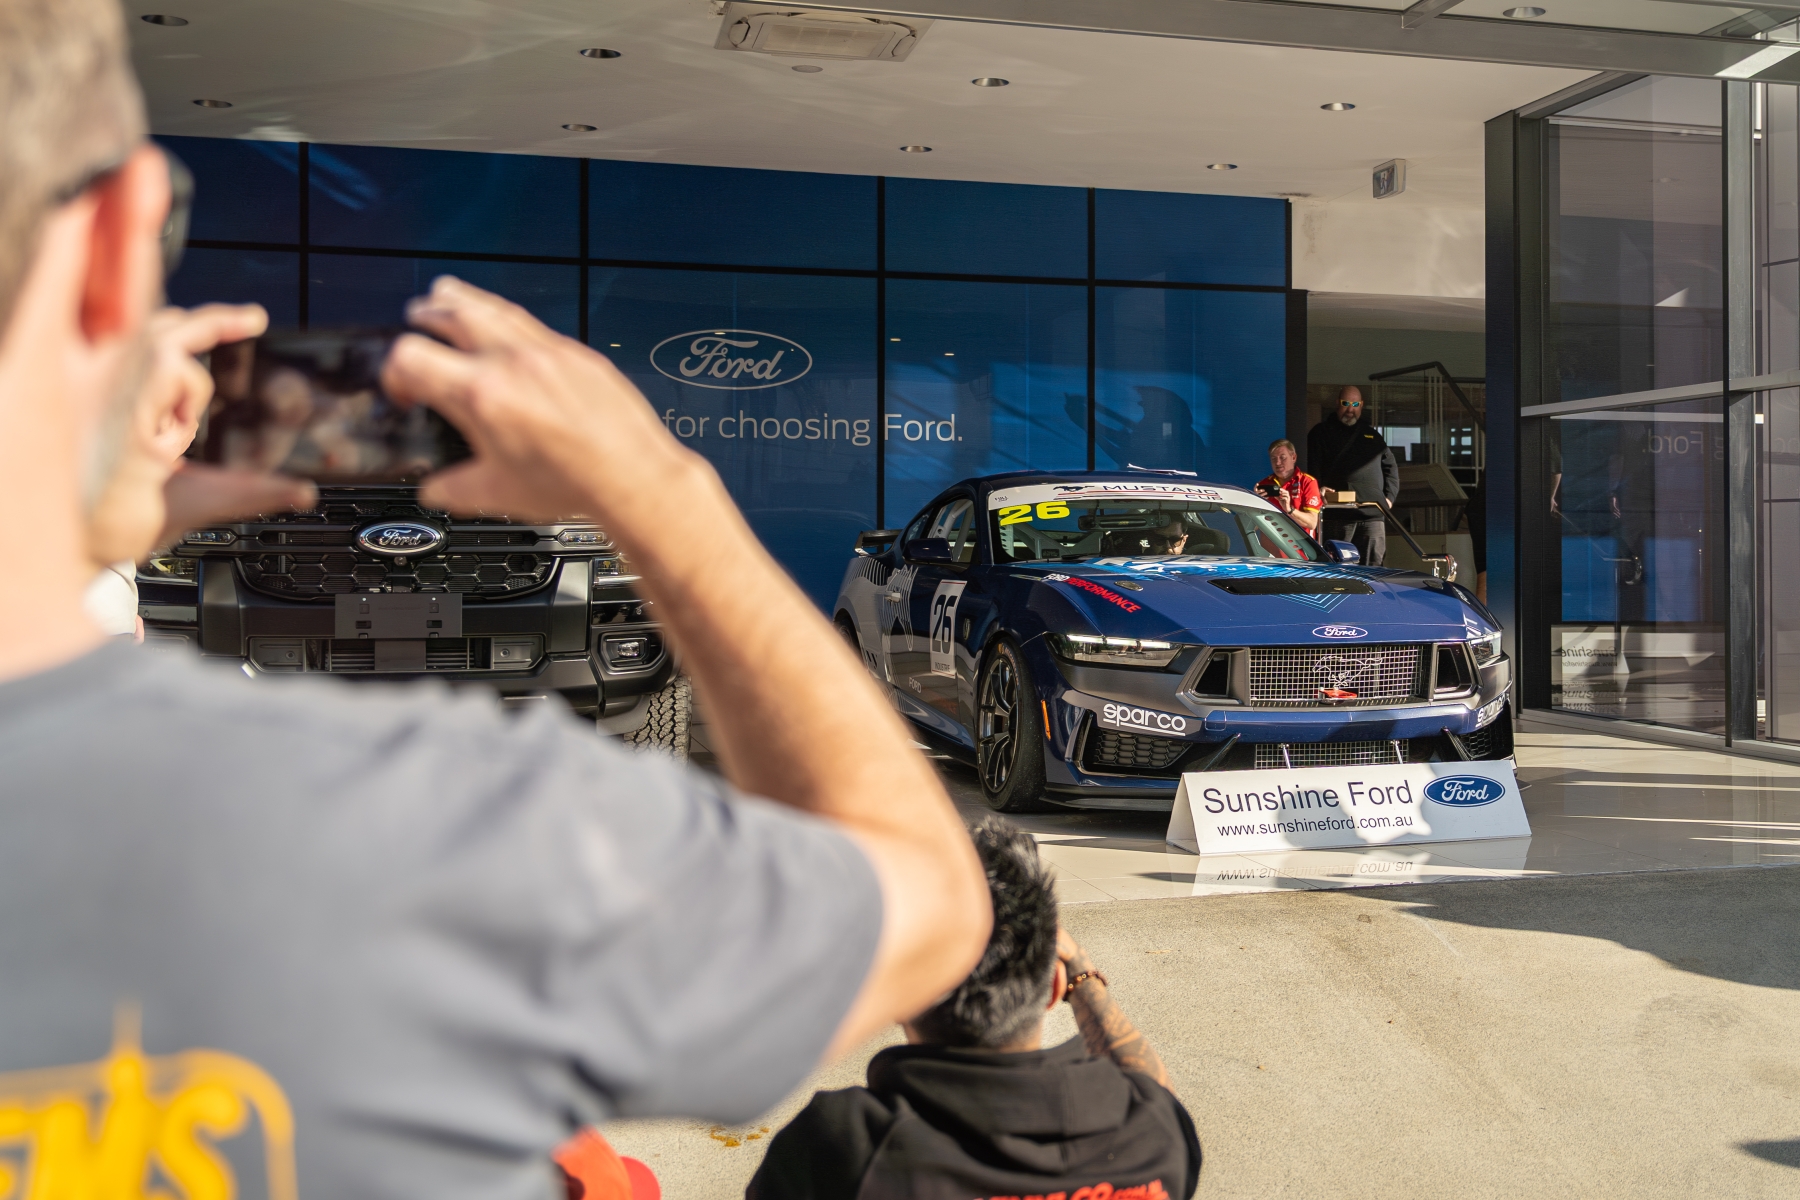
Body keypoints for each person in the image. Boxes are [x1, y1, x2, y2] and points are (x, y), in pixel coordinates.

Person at [0, 5, 991, 1199]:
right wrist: (663, 493)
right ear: (120, 240)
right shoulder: (458, 828)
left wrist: (65, 519)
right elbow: (927, 905)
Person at [747, 817, 1201, 1200]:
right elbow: (1153, 1087)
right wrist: (1082, 976)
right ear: (1053, 987)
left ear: (900, 995)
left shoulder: (843, 1149)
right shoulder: (1151, 1136)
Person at [1306, 386, 1400, 565]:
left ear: (1361, 405)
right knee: (1338, 569)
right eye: (1346, 403)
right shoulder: (1320, 432)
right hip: (1337, 515)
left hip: (1373, 515)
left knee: (1374, 570)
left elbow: (1391, 467)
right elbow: (1311, 466)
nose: (1350, 409)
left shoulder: (1372, 435)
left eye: (1355, 404)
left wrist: (1389, 498)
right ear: (1337, 403)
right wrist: (1318, 489)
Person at [1254, 437, 1321, 537]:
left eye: (1282, 457)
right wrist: (1256, 504)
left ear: (1293, 458)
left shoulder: (1307, 482)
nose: (1278, 463)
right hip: (1271, 544)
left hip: (1299, 545)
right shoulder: (1264, 484)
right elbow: (1253, 527)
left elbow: (1312, 523)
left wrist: (1289, 510)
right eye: (1274, 458)